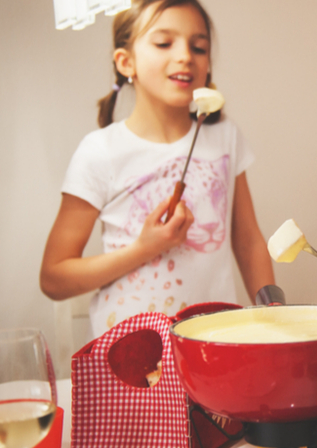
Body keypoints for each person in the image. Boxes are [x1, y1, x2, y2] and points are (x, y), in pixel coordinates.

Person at [40, 0, 274, 337]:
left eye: (199, 47)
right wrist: (144, 248)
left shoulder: (225, 137)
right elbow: (53, 278)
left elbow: (249, 242)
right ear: (126, 62)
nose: (184, 56)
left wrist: (273, 308)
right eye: (164, 43)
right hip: (132, 357)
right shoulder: (99, 152)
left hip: (214, 345)